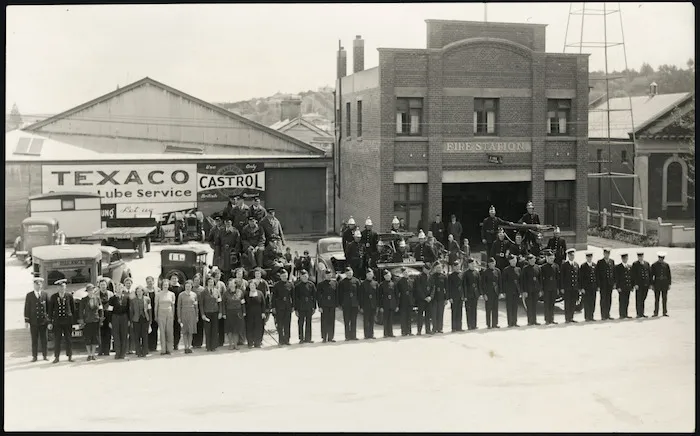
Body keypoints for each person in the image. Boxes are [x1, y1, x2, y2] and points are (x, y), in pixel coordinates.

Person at [48, 279, 76, 363]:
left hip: (68, 321)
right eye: (60, 287)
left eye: (63, 286)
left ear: (65, 287)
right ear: (57, 288)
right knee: (57, 340)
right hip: (57, 322)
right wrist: (49, 322)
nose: (62, 288)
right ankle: (57, 357)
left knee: (68, 339)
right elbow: (50, 311)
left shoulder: (69, 296)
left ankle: (70, 356)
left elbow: (73, 309)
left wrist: (74, 322)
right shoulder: (53, 297)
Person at [245, 268, 268, 348]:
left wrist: (263, 312)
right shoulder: (246, 294)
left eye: (253, 285)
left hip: (258, 313)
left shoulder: (260, 293)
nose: (252, 287)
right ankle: (250, 343)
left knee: (258, 328)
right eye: (251, 285)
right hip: (249, 313)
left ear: (255, 286)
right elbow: (244, 304)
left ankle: (258, 343)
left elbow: (263, 303)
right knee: (250, 327)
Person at [79, 284, 103, 361]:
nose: (90, 291)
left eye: (92, 290)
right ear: (87, 291)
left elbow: (100, 309)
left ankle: (93, 354)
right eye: (89, 290)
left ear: (94, 290)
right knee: (88, 338)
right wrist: (82, 320)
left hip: (95, 320)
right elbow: (80, 311)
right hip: (87, 321)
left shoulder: (98, 299)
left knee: (95, 338)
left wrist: (101, 318)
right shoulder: (84, 300)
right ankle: (89, 354)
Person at [271, 268, 293, 345]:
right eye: (282, 276)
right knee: (280, 325)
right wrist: (273, 307)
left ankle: (287, 340)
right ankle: (281, 340)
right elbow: (273, 297)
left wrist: (293, 306)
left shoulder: (290, 284)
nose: (284, 277)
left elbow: (293, 296)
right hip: (279, 307)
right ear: (280, 276)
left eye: (285, 276)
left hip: (288, 307)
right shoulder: (276, 285)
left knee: (287, 324)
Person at [222, 276, 246, 350]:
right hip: (229, 312)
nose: (231, 285)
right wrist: (224, 313)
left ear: (235, 284)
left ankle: (235, 344)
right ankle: (230, 344)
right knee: (229, 330)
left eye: (232, 284)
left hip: (238, 312)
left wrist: (244, 311)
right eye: (230, 284)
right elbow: (223, 304)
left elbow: (243, 302)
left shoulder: (240, 292)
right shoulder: (225, 293)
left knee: (236, 329)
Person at [108, 283, 131, 359]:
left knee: (124, 335)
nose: (119, 290)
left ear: (123, 289)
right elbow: (110, 311)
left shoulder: (126, 298)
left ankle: (123, 353)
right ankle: (117, 353)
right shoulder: (112, 299)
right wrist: (110, 321)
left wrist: (129, 320)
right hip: (115, 317)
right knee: (116, 336)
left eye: (120, 288)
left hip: (124, 317)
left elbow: (128, 310)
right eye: (117, 288)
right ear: (115, 289)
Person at [294, 270, 317, 344]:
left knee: (308, 322)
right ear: (300, 277)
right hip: (301, 307)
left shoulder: (311, 285)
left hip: (309, 306)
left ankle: (308, 338)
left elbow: (314, 296)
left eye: (305, 276)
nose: (304, 277)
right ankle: (301, 338)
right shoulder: (297, 286)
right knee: (301, 323)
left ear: (308, 276)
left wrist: (314, 307)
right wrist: (296, 309)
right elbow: (295, 298)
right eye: (303, 276)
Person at [200, 276, 223, 351]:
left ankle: (214, 346)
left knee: (215, 330)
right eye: (209, 282)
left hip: (215, 313)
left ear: (214, 283)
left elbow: (220, 302)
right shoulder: (203, 292)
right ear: (207, 283)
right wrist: (202, 314)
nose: (211, 283)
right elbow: (201, 304)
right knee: (208, 330)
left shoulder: (217, 291)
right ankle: (208, 346)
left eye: (212, 282)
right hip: (207, 313)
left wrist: (220, 312)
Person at [338, 266, 361, 341]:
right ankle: (347, 336)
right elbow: (340, 294)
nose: (349, 274)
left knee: (354, 320)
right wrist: (340, 304)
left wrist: (359, 303)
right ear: (345, 274)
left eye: (350, 273)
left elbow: (359, 293)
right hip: (346, 304)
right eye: (347, 273)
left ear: (352, 272)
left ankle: (353, 336)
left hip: (354, 304)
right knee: (347, 321)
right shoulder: (342, 282)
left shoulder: (356, 281)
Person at [316, 267, 338, 343]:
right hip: (324, 305)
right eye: (327, 274)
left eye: (329, 274)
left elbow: (337, 294)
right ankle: (324, 337)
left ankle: (331, 337)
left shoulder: (334, 283)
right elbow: (318, 296)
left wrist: (336, 304)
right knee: (324, 321)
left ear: (331, 275)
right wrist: (319, 306)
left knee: (331, 321)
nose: (328, 276)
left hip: (332, 305)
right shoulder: (321, 284)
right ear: (324, 275)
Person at [153, 280, 175, 355]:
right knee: (162, 332)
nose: (165, 286)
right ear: (162, 285)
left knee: (169, 332)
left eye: (167, 284)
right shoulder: (158, 294)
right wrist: (155, 315)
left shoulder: (172, 294)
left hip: (169, 313)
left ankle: (169, 349)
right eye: (164, 284)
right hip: (161, 313)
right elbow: (156, 306)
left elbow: (173, 306)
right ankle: (163, 349)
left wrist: (173, 315)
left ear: (168, 285)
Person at [228, 268, 249, 346]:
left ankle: (242, 339)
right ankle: (235, 340)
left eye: (241, 273)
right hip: (234, 304)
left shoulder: (246, 282)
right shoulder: (232, 282)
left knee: (242, 323)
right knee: (235, 324)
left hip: (243, 304)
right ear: (235, 274)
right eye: (238, 273)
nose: (239, 275)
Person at [129, 286, 152, 358]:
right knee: (137, 336)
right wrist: (131, 320)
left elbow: (149, 310)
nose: (139, 293)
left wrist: (150, 320)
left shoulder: (147, 299)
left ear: (143, 292)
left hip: (145, 319)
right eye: (137, 291)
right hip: (136, 319)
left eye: (140, 291)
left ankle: (145, 351)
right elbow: (131, 311)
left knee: (145, 336)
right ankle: (138, 351)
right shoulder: (133, 300)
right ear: (136, 292)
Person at [177, 280, 199, 354]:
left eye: (189, 286)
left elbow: (196, 306)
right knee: (184, 331)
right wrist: (179, 317)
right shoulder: (181, 295)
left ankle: (189, 346)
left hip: (192, 314)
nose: (188, 288)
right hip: (184, 314)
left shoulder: (194, 295)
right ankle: (185, 347)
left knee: (190, 331)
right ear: (184, 287)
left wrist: (196, 316)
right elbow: (179, 307)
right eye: (186, 286)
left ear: (191, 287)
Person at [480, 258, 502, 329]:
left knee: (495, 308)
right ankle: (488, 324)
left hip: (496, 292)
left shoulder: (498, 271)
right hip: (488, 293)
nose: (492, 264)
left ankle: (495, 324)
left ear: (495, 263)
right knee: (488, 309)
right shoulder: (485, 272)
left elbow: (500, 282)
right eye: (490, 263)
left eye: (493, 263)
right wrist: (484, 294)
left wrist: (500, 292)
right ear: (488, 264)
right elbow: (483, 284)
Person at [560, 248, 580, 323]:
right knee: (567, 303)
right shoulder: (564, 265)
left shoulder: (576, 265)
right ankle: (567, 318)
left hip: (574, 287)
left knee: (573, 303)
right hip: (567, 287)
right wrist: (562, 287)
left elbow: (578, 277)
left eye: (573, 255)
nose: (572, 256)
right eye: (570, 255)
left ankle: (571, 317)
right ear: (568, 256)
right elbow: (562, 277)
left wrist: (578, 287)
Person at [595, 248, 616, 320]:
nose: (607, 255)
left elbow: (613, 273)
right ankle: (603, 315)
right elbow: (597, 274)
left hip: (609, 284)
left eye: (608, 253)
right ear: (603, 254)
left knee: (609, 299)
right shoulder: (600, 262)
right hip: (603, 284)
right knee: (603, 299)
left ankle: (608, 314)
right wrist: (598, 285)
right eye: (606, 253)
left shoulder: (612, 261)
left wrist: (614, 283)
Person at [521, 254, 542, 326]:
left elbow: (540, 279)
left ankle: (535, 320)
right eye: (530, 260)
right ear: (528, 261)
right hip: (528, 290)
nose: (532, 261)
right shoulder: (525, 269)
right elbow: (523, 280)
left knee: (535, 306)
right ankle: (530, 321)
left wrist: (540, 290)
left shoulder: (538, 268)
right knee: (529, 306)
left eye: (533, 260)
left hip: (536, 289)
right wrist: (524, 291)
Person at [413, 264, 434, 335]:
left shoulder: (431, 277)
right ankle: (419, 331)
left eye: (429, 270)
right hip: (421, 299)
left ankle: (428, 330)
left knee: (428, 316)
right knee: (420, 315)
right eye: (427, 269)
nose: (428, 271)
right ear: (423, 269)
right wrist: (424, 297)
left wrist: (430, 296)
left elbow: (433, 288)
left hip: (429, 299)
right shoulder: (418, 277)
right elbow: (418, 289)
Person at [502, 255, 522, 327]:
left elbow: (520, 281)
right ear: (510, 261)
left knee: (515, 306)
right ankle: (510, 322)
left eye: (515, 260)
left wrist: (520, 290)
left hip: (516, 290)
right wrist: (504, 291)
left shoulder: (518, 269)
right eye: (512, 261)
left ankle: (515, 322)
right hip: (509, 290)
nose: (514, 262)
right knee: (509, 306)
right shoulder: (506, 270)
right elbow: (504, 281)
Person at [650, 251, 672, 317]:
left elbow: (669, 275)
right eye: (660, 257)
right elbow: (651, 275)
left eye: (662, 258)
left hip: (664, 283)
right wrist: (652, 284)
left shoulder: (666, 265)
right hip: (657, 283)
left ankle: (664, 312)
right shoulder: (654, 265)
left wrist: (669, 284)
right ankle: (655, 312)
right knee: (657, 299)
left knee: (664, 298)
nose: (661, 259)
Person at [378, 269, 398, 338]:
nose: (388, 277)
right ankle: (385, 333)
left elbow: (396, 295)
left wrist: (396, 305)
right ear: (384, 277)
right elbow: (379, 296)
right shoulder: (381, 285)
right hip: (385, 304)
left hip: (392, 304)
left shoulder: (394, 284)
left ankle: (391, 333)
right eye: (386, 276)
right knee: (385, 319)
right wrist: (380, 306)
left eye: (389, 275)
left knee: (391, 319)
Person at [462, 258, 481, 330]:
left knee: (474, 309)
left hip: (475, 293)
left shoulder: (477, 272)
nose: (473, 265)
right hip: (469, 294)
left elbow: (479, 283)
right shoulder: (466, 273)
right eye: (471, 264)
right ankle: (469, 325)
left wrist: (479, 293)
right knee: (469, 310)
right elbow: (464, 285)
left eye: (474, 264)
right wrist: (465, 295)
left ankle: (474, 325)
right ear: (468, 264)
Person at [360, 269, 379, 339]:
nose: (369, 276)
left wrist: (377, 305)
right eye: (368, 274)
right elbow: (361, 296)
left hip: (373, 305)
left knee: (372, 320)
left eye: (371, 274)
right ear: (366, 275)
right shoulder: (362, 284)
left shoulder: (376, 283)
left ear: (373, 275)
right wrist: (361, 306)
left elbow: (377, 295)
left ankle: (371, 334)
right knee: (366, 321)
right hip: (366, 305)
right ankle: (366, 335)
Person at [396, 267, 415, 337]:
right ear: (402, 274)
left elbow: (413, 291)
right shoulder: (399, 282)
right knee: (403, 317)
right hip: (403, 301)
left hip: (409, 301)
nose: (406, 274)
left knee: (409, 317)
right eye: (404, 273)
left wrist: (413, 300)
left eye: (406, 273)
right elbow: (398, 293)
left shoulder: (411, 281)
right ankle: (403, 331)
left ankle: (409, 331)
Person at [632, 251, 651, 318]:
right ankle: (638, 313)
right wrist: (635, 284)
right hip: (639, 284)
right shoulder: (635, 264)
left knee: (643, 298)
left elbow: (649, 273)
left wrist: (650, 283)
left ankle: (642, 313)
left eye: (641, 256)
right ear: (638, 257)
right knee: (638, 299)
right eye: (639, 256)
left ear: (643, 256)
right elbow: (633, 275)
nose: (640, 257)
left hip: (646, 284)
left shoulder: (646, 263)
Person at [579, 252, 598, 322]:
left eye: (590, 257)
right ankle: (587, 316)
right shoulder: (583, 266)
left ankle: (591, 316)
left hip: (593, 287)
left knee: (593, 302)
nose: (589, 258)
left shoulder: (595, 265)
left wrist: (597, 286)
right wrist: (582, 288)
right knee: (587, 302)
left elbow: (597, 276)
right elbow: (581, 278)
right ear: (586, 258)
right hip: (586, 288)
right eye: (588, 257)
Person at [429, 262, 447, 333]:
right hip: (434, 297)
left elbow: (446, 288)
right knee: (434, 314)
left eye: (440, 268)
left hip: (441, 297)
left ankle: (440, 328)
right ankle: (434, 328)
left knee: (440, 313)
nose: (438, 269)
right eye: (437, 268)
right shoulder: (432, 276)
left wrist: (446, 298)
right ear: (434, 268)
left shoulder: (444, 276)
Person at [614, 253, 634, 319]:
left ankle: (626, 314)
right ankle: (622, 314)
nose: (625, 259)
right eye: (624, 258)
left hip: (627, 286)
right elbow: (616, 278)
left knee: (627, 301)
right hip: (621, 287)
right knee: (622, 301)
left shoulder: (629, 266)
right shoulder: (618, 267)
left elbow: (631, 277)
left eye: (626, 258)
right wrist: (618, 287)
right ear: (622, 259)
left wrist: (632, 286)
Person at [447, 260, 463, 332]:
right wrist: (449, 297)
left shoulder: (462, 274)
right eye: (455, 266)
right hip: (454, 296)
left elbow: (463, 286)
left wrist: (463, 295)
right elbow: (449, 287)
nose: (457, 268)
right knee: (454, 312)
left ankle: (459, 327)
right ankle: (454, 327)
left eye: (458, 266)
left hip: (460, 295)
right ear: (453, 267)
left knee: (460, 312)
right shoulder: (450, 276)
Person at [144, 276, 159, 353]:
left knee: (155, 329)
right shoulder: (144, 291)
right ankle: (148, 346)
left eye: (151, 281)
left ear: (153, 282)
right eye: (148, 281)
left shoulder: (157, 290)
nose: (150, 283)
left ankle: (154, 346)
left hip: (155, 312)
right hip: (147, 312)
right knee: (148, 329)